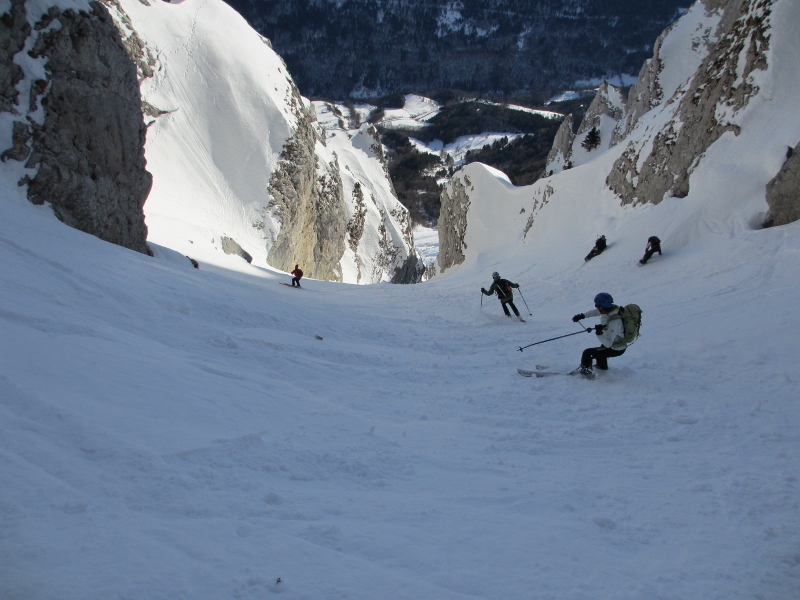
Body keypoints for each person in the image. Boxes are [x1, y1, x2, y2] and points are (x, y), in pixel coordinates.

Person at [571, 292, 627, 378]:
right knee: (600, 351)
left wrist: (599, 333)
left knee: (587, 353)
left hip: (616, 348)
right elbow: (595, 312)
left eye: (597, 306)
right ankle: (602, 369)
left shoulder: (614, 321)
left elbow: (608, 344)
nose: (596, 307)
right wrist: (582, 316)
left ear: (602, 306)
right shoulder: (610, 310)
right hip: (615, 343)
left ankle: (586, 374)